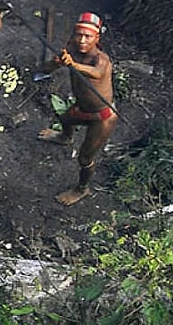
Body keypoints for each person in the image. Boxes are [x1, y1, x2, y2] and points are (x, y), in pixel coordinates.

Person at [37, 12, 117, 206]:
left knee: (85, 157)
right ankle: (65, 137)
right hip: (82, 107)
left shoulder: (101, 59)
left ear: (96, 38)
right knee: (65, 119)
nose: (82, 40)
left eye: (88, 36)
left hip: (102, 117)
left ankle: (82, 189)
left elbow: (97, 73)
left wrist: (73, 65)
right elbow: (44, 70)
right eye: (78, 35)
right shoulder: (71, 50)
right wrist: (56, 62)